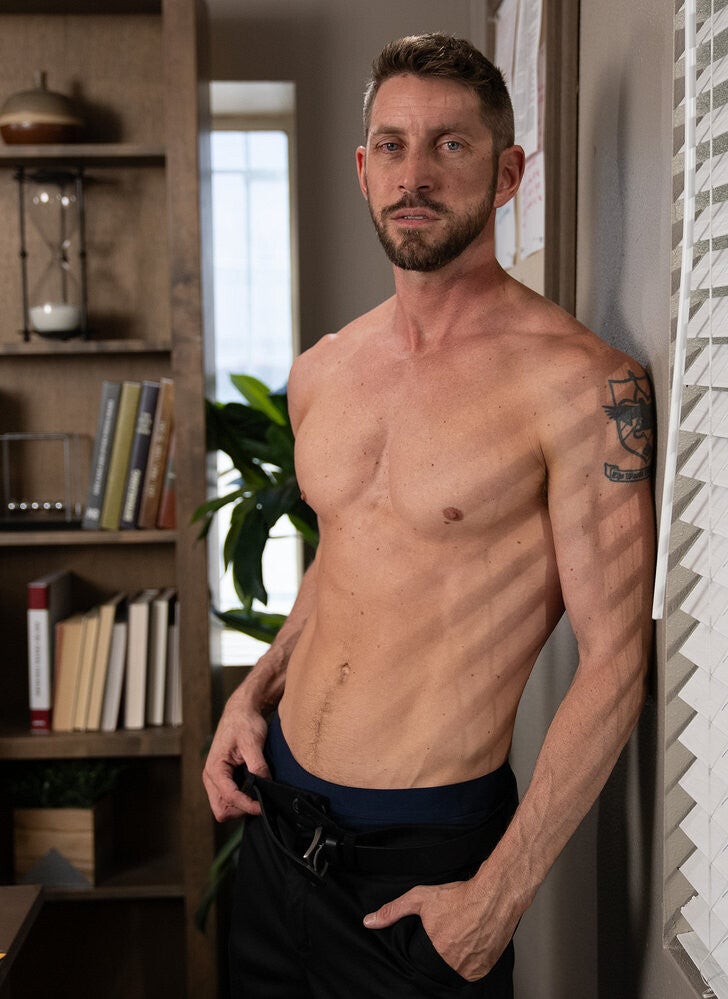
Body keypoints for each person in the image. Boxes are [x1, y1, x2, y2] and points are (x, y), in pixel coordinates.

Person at [203, 32, 655, 999]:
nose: (415, 175)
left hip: (424, 865)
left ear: (506, 173)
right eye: (393, 146)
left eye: (450, 145)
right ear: (363, 169)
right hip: (278, 832)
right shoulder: (324, 370)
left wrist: (501, 895)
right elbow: (344, 561)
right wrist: (254, 693)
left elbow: (616, 660)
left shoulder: (579, 384)